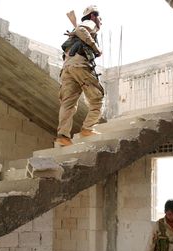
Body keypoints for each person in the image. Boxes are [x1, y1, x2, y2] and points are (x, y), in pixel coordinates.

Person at [56, 5, 104, 147]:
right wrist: (96, 48)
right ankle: (87, 128)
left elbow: (78, 31)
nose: (101, 21)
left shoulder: (75, 31)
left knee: (68, 103)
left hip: (67, 68)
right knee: (97, 98)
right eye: (99, 17)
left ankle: (63, 136)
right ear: (93, 16)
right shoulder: (90, 23)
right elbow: (82, 30)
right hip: (80, 65)